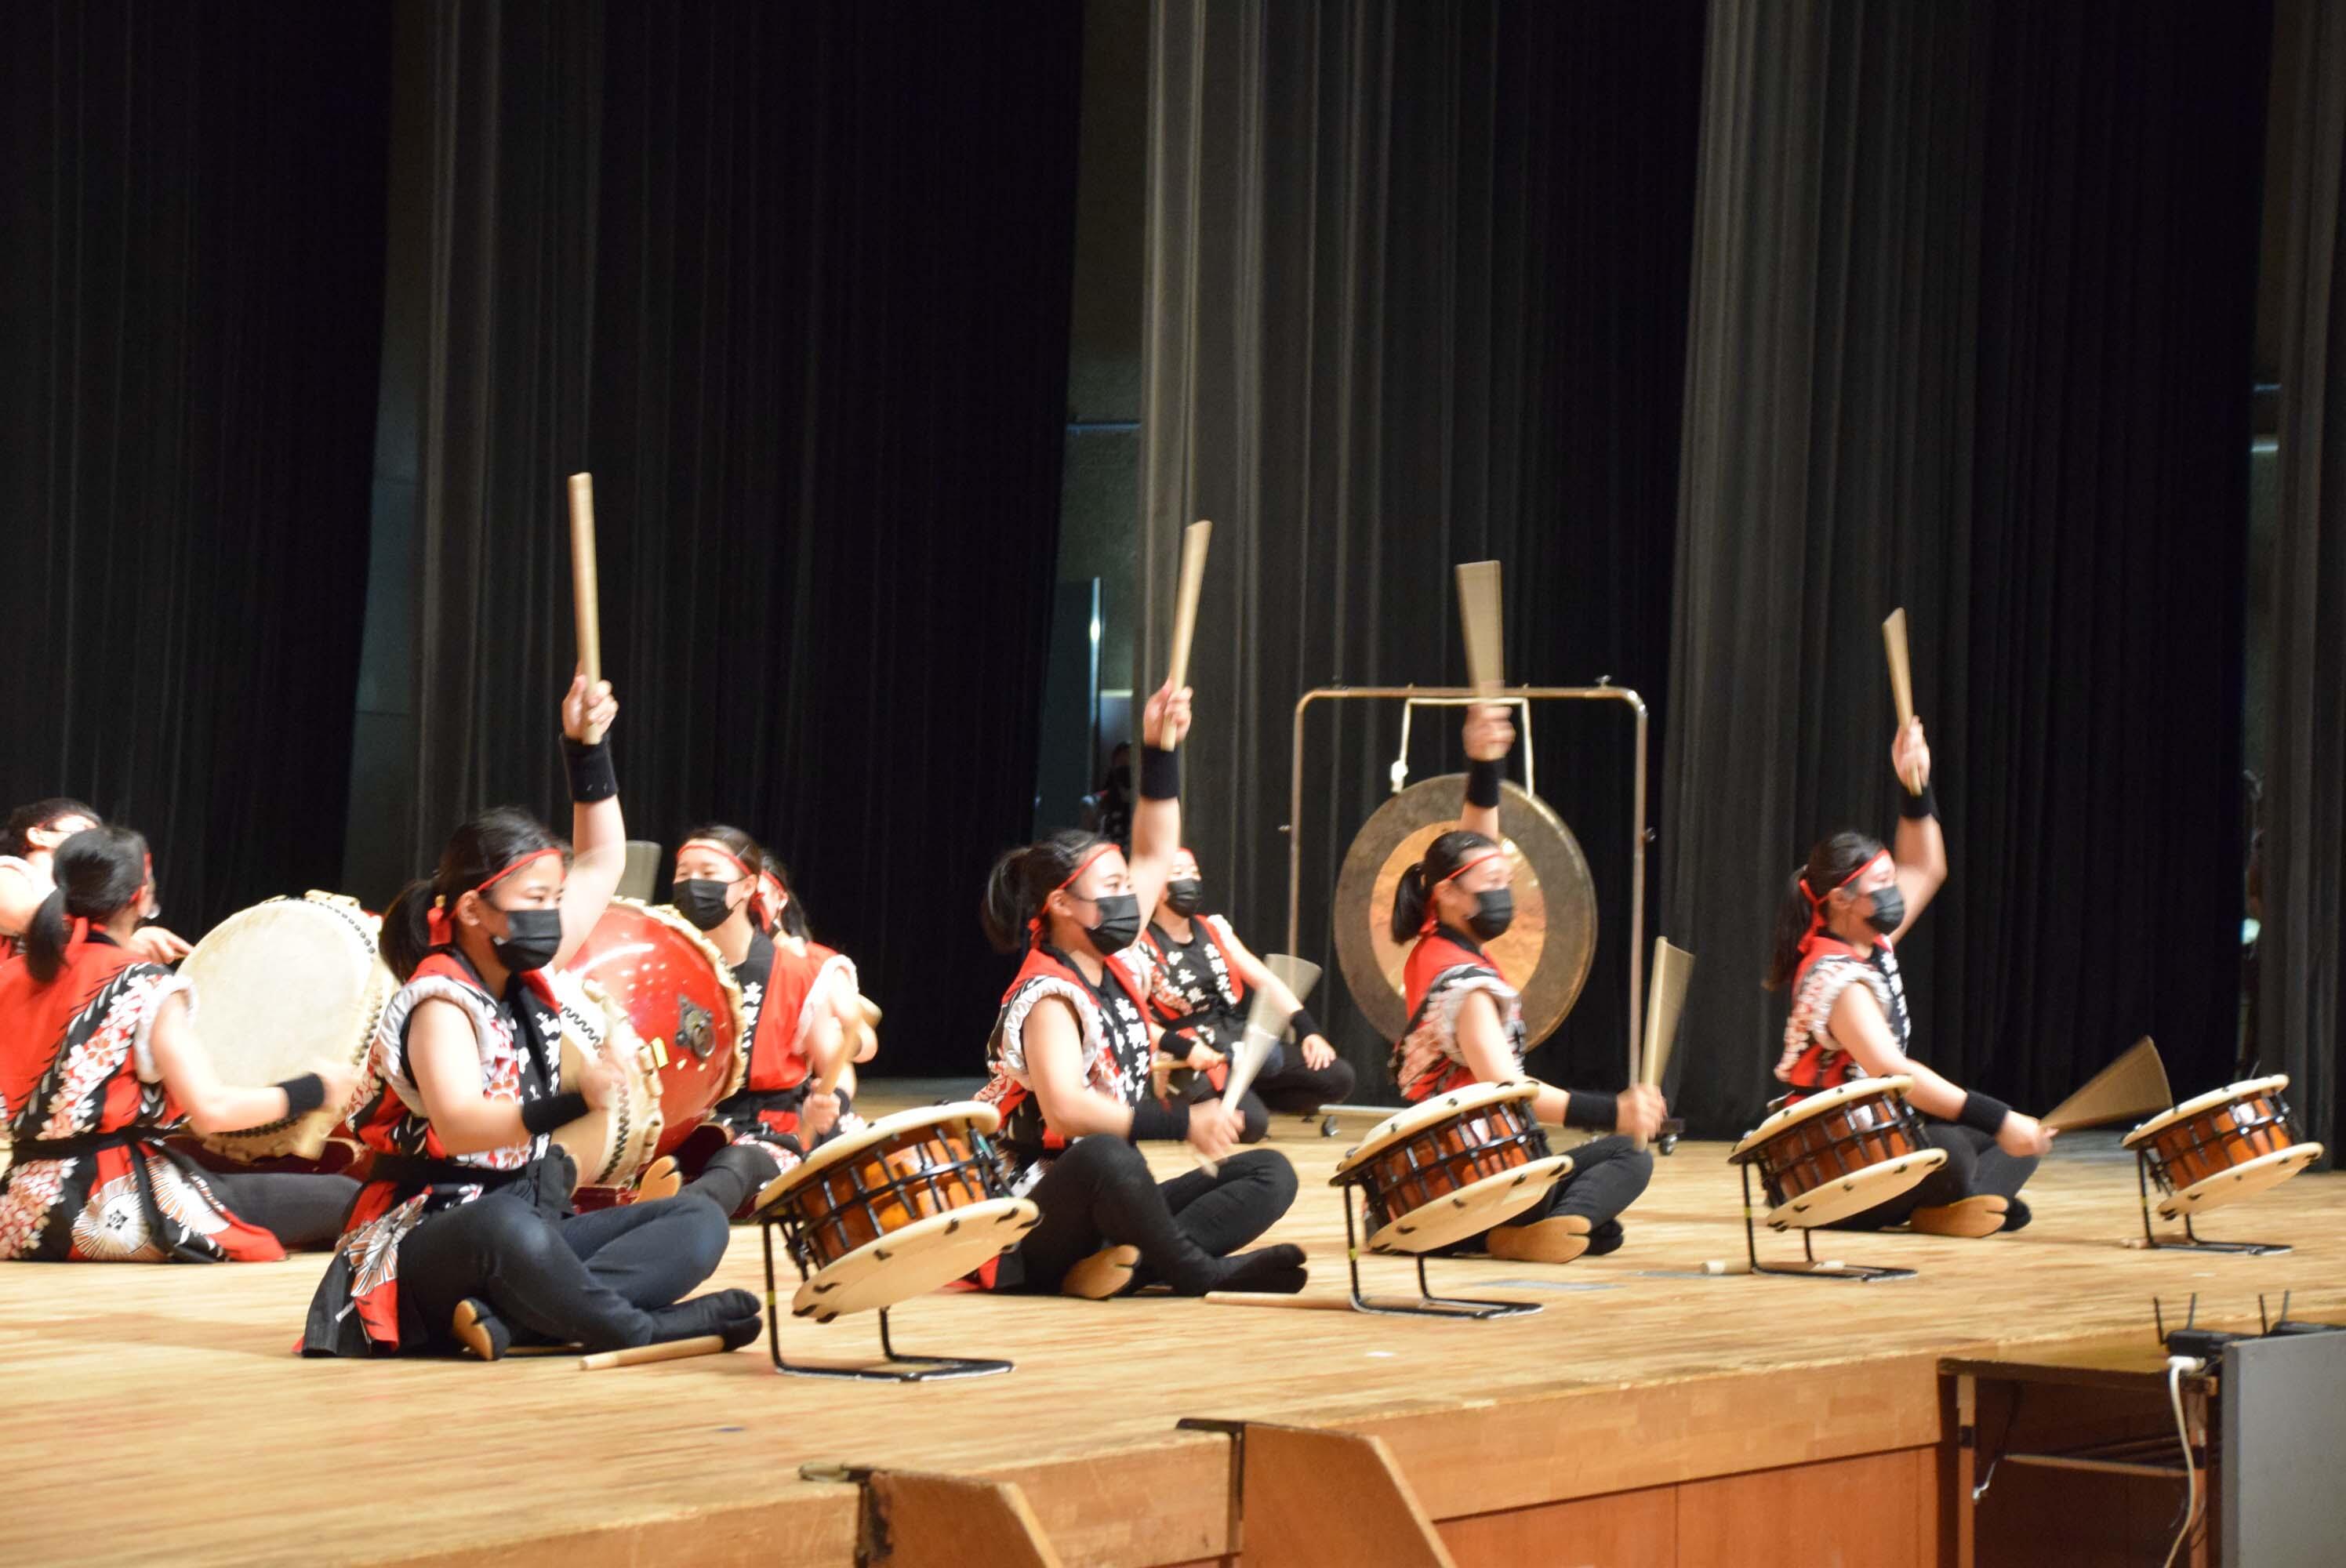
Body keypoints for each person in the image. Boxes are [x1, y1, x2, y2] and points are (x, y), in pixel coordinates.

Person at [300, 673, 771, 1359]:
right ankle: (647, 1328)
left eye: (556, 896)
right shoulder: (440, 1000)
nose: (553, 913)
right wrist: (581, 1096)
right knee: (505, 1232)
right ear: (471, 910)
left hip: (524, 1218)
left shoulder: (527, 973)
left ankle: (514, 1323)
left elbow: (606, 857)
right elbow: (460, 1124)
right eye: (535, 898)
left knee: (696, 1221)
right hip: (427, 1239)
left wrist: (587, 749)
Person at [975, 681, 1306, 1300]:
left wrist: (1160, 748)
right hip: (1029, 1220)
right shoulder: (1047, 995)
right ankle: (1195, 1271)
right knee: (1108, 1156)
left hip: (1107, 1204)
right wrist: (1184, 1121)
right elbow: (1067, 1112)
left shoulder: (1118, 960)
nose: (1133, 897)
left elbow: (1156, 845)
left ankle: (1130, 1267)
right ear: (1062, 904)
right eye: (1114, 887)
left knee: (1270, 1172)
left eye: (1129, 884)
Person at [0, 825, 360, 1261]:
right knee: (348, 1196)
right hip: (111, 1209)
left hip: (19, 1214)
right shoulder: (144, 985)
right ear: (140, 896)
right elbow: (212, 1111)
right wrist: (317, 1089)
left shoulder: (13, 976)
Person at [1386, 705, 1663, 1265]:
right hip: (1468, 1172)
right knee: (1629, 1156)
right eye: (1493, 884)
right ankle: (1524, 1227)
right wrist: (1615, 1111)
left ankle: (1529, 1226)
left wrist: (1485, 765)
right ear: (1447, 894)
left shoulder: (1435, 945)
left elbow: (1474, 849)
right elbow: (1505, 1088)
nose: (1504, 892)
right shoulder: (1463, 985)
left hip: (1454, 1164)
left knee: (1603, 1229)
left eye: (1506, 881)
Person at [1764, 717, 2052, 1236]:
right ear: (1841, 901)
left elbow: (1927, 865)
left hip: (1869, 1141)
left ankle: (1954, 1207)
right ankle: (1961, 1201)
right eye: (1882, 884)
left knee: (2017, 1145)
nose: (1896, 889)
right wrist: (2000, 1117)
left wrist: (1914, 786)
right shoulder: (1837, 980)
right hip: (1821, 1166)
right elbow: (1894, 1071)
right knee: (1962, 1148)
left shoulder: (1870, 942)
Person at [660, 826, 853, 1193]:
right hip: (683, 1130)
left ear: (748, 887)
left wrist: (831, 1100)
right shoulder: (664, 966)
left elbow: (837, 1068)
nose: (692, 883)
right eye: (683, 873)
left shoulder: (794, 972)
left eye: (708, 873)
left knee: (734, 1165)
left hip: (768, 1136)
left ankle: (681, 1213)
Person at [1138, 847, 1356, 1139]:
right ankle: (1192, 1106)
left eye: (1194, 873)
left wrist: (1308, 1030)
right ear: (1158, 887)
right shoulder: (1140, 945)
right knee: (1250, 1126)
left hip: (1236, 1040)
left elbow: (1265, 981)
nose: (1188, 880)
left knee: (1338, 1077)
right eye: (1177, 874)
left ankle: (1246, 1094)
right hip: (1188, 1051)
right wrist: (1186, 1049)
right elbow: (1136, 1019)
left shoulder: (1213, 928)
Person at [1, 799, 191, 965]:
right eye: (82, 830)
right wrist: (119, 939)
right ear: (38, 835)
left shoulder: (77, 897)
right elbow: (33, 917)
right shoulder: (9, 870)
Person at [1078, 741, 1134, 847]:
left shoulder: (1145, 803)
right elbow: (1087, 845)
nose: (1127, 766)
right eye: (1122, 763)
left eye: (1131, 763)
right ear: (1113, 767)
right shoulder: (1094, 804)